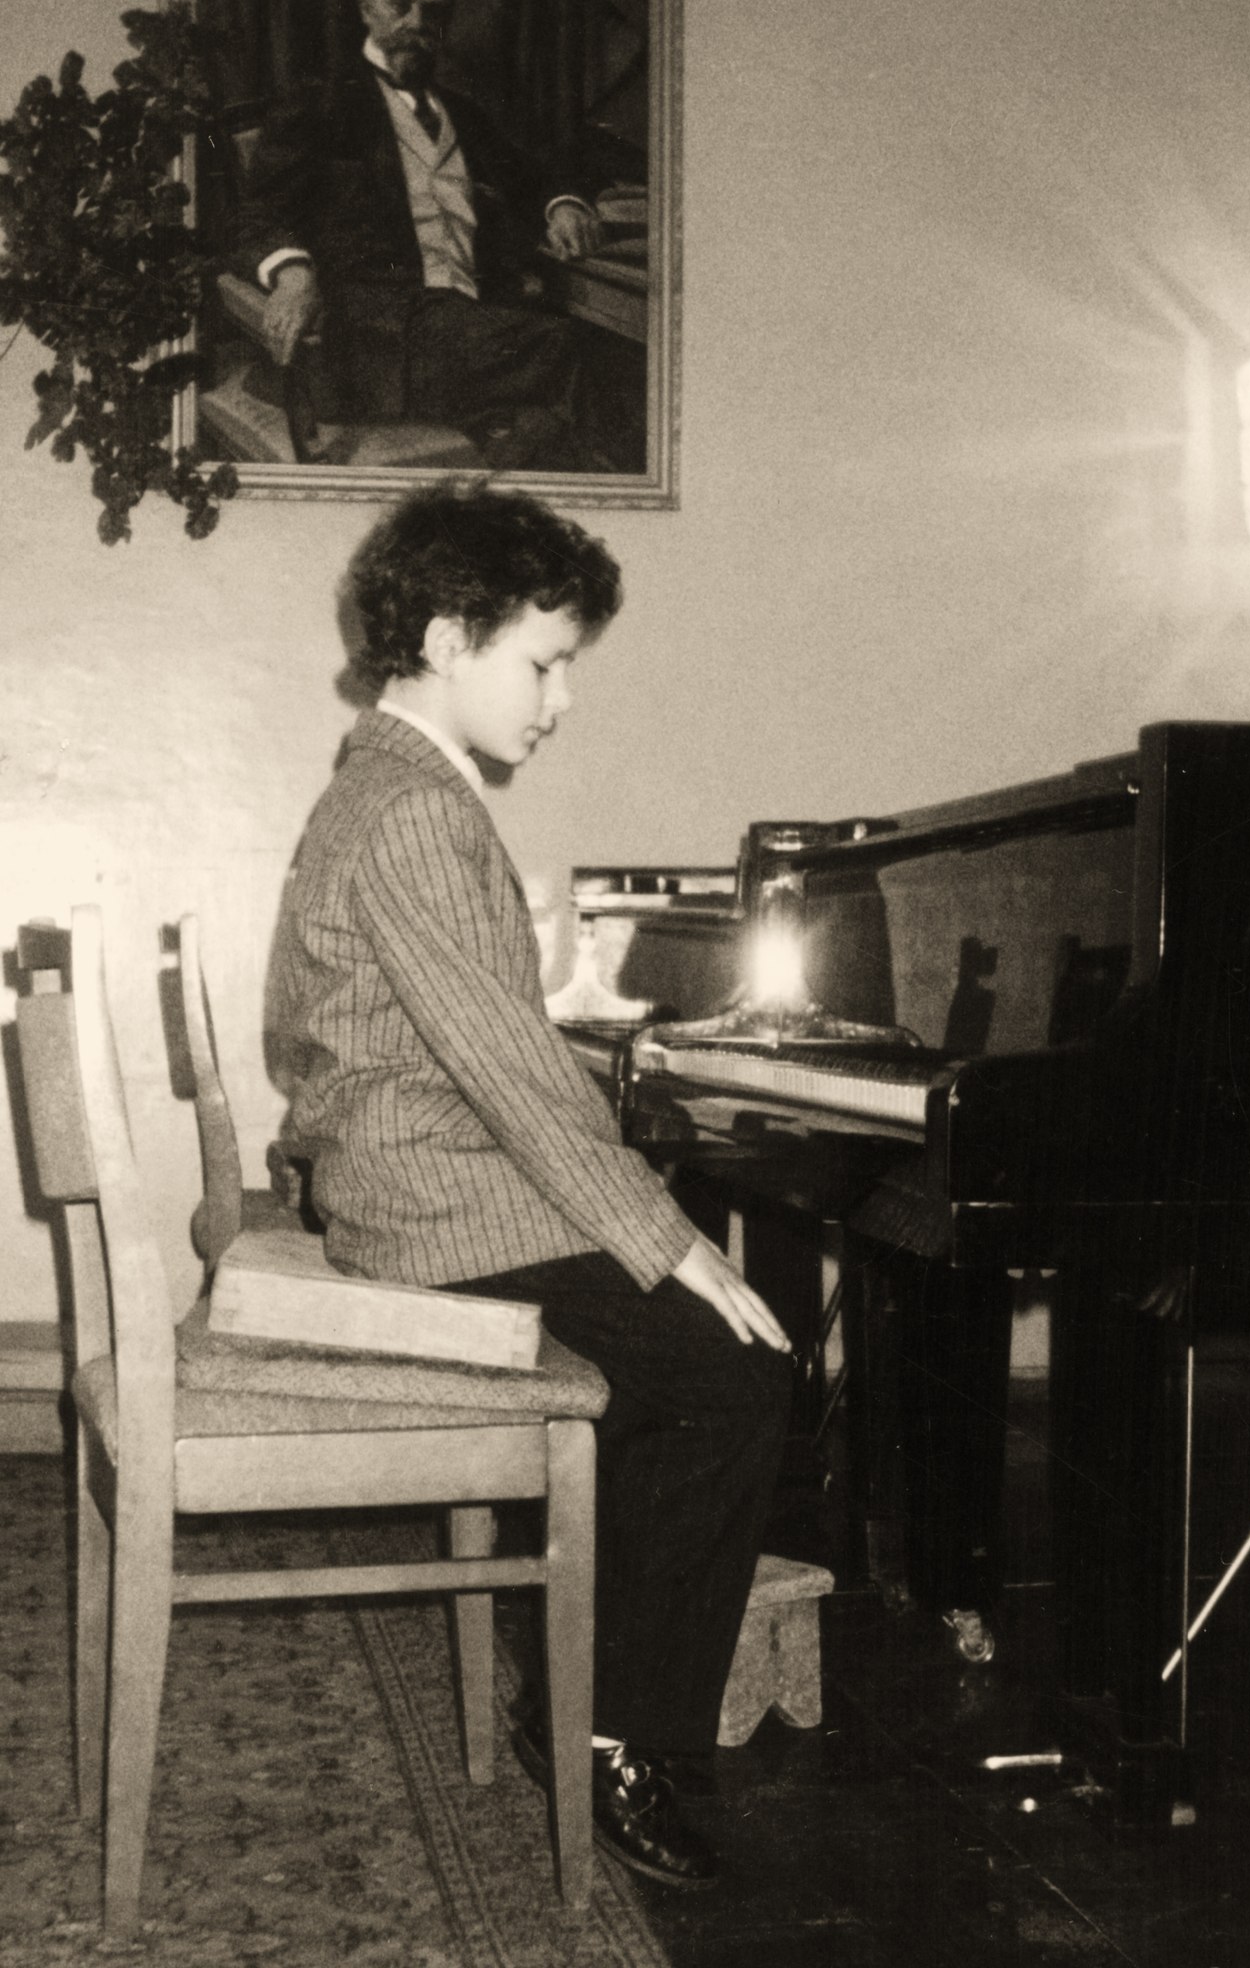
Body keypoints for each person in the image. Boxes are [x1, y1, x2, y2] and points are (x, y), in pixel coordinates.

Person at [272, 483, 794, 1889]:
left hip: (424, 1181)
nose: (562, 700)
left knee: (680, 1355)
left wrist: (640, 1216)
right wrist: (666, 1239)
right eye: (544, 662)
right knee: (734, 1378)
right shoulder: (413, 810)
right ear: (450, 638)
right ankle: (620, 1735)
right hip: (434, 1208)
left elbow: (485, 1037)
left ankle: (580, 1686)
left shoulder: (391, 788)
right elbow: (510, 1074)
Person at [232, 0, 605, 470]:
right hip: (373, 337)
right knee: (570, 348)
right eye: (400, 4)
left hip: (467, 319)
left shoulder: (463, 113)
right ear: (366, 7)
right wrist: (292, 273)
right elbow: (255, 216)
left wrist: (562, 204)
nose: (416, 23)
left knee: (570, 364)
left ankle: (510, 449)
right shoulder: (319, 101)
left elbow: (534, 176)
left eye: (433, 11)